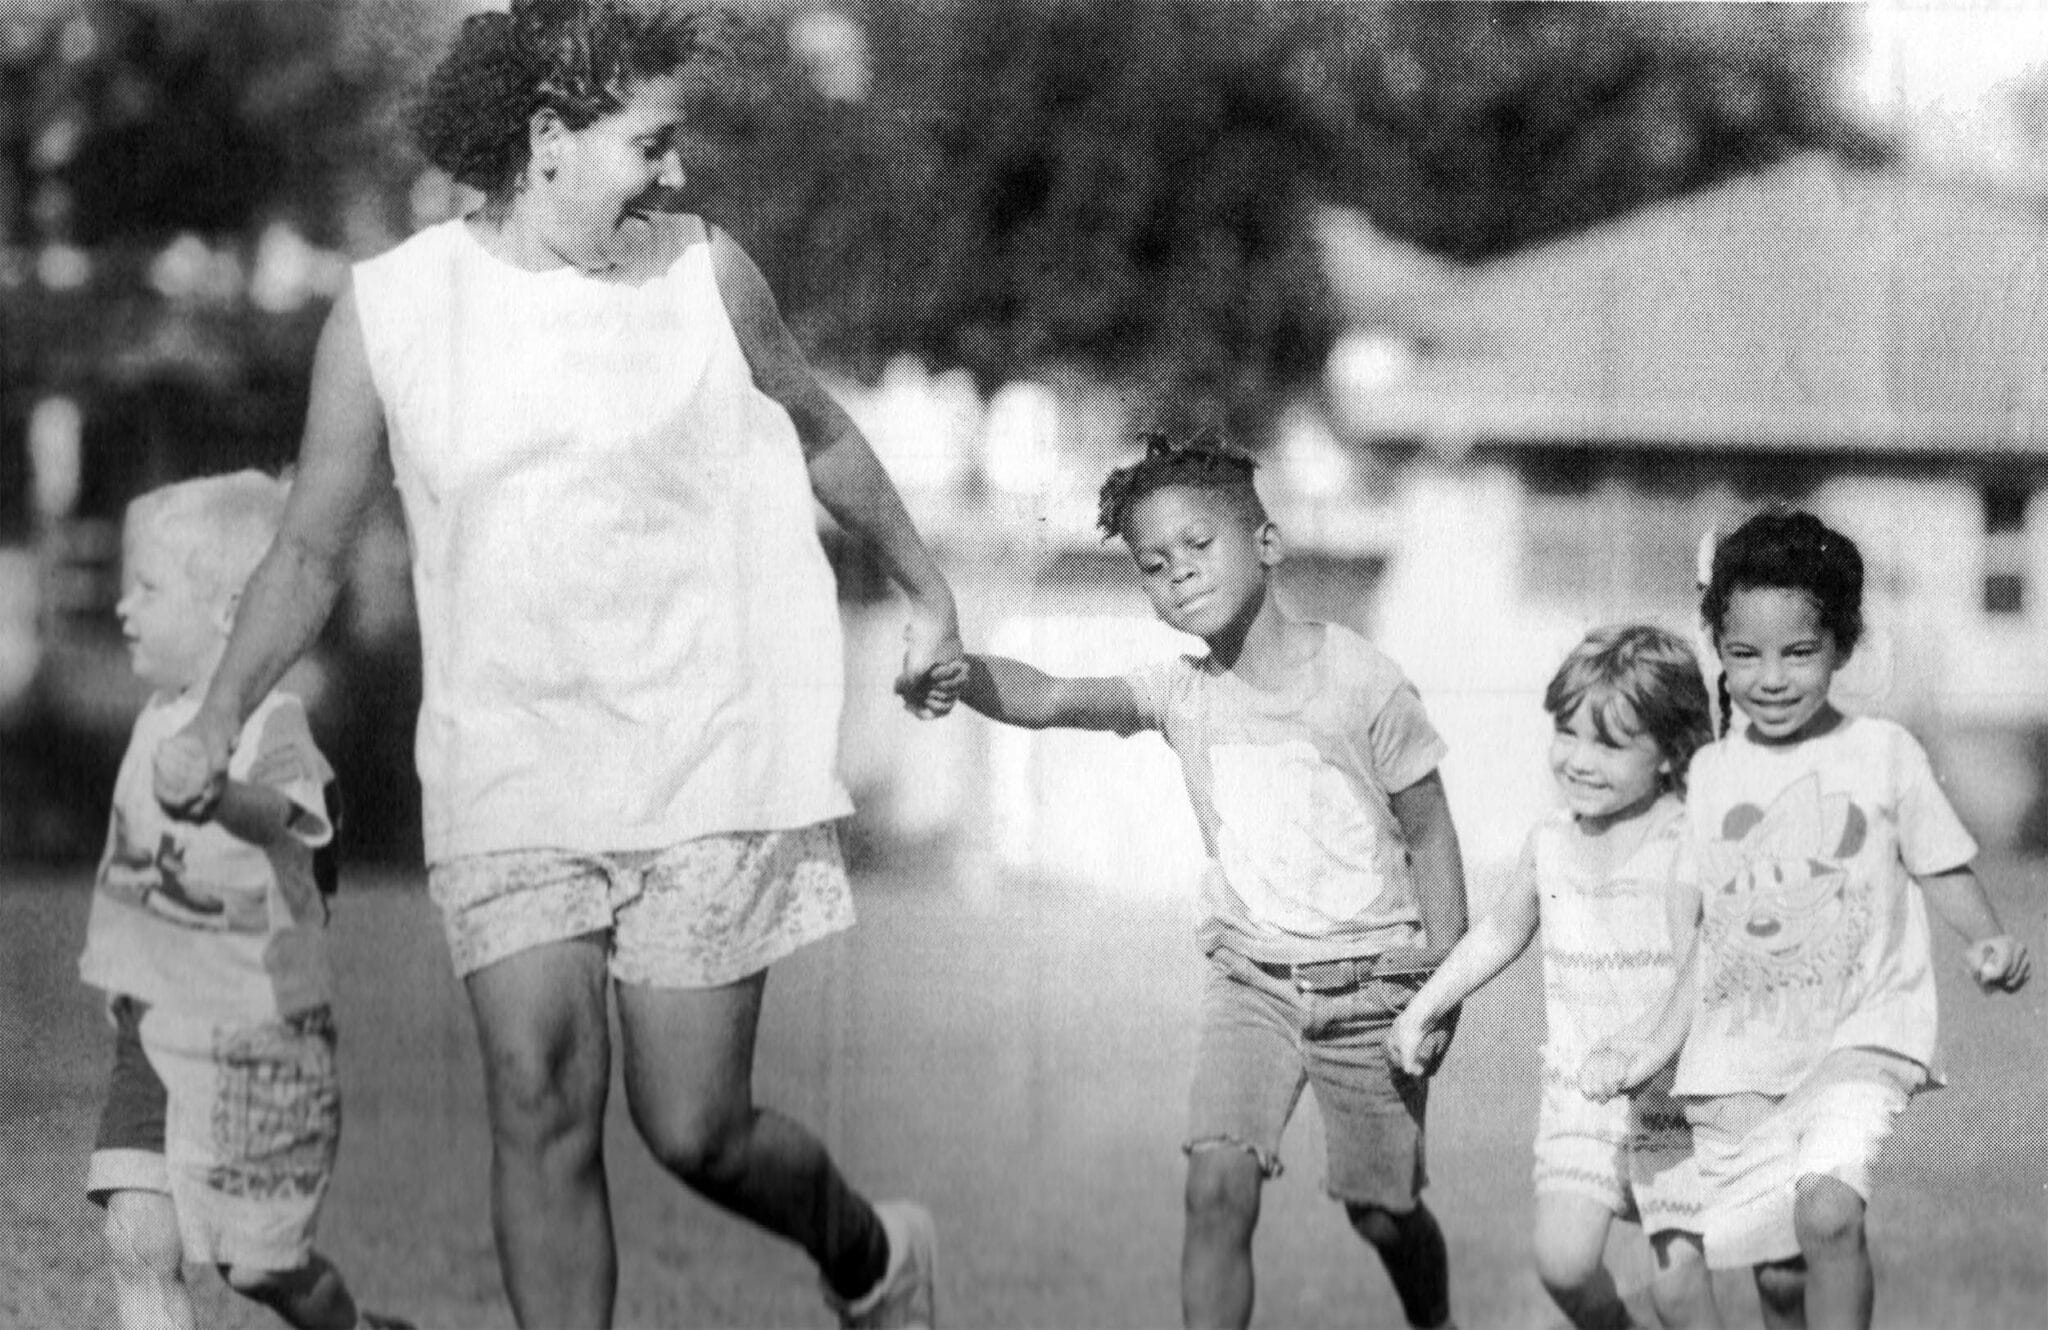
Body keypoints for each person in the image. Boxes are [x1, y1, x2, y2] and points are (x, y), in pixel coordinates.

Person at [149, 4, 964, 1327]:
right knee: (538, 1097)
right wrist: (218, 710)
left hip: (706, 743)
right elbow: (307, 550)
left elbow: (818, 431)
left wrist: (929, 589)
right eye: (653, 142)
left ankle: (872, 1254)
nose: (677, 173)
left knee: (694, 1124)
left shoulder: (705, 275)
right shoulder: (392, 312)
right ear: (549, 142)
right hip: (510, 756)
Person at [957, 431, 1468, 1330]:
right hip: (1254, 985)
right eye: (1154, 565)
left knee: (1382, 1214)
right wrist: (957, 671)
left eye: (1199, 547)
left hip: (1375, 988)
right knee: (1216, 1188)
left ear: (1266, 544)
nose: (1179, 575)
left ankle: (1437, 1322)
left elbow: (1429, 832)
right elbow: (1044, 698)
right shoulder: (1177, 693)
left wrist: (1444, 989)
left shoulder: (1363, 682)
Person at [1581, 509, 2032, 1330]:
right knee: (1780, 1277)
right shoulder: (1712, 775)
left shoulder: (1884, 754)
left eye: (1800, 653)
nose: (1773, 678)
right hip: (1745, 1053)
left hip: (1863, 1031)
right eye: (1746, 655)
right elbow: (1705, 934)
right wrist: (1648, 1043)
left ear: (1843, 648)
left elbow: (1940, 862)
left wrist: (1989, 938)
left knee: (1828, 1211)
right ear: (1719, 651)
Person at [81, 472, 411, 1330]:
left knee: (257, 1267)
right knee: (138, 1235)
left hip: (256, 1044)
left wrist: (218, 795)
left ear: (230, 613)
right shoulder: (154, 719)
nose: (124, 608)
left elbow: (291, 820)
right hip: (152, 1035)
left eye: (148, 588)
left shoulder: (274, 726)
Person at [1389, 625, 1720, 1330]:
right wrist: (1425, 1006)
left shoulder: (1689, 837)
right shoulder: (1551, 844)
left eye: (1610, 743)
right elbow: (1502, 932)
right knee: (1563, 1264)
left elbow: (1711, 957)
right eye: (1567, 733)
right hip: (1581, 1095)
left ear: (1670, 753)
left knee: (1680, 1292)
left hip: (1677, 1103)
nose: (1579, 760)